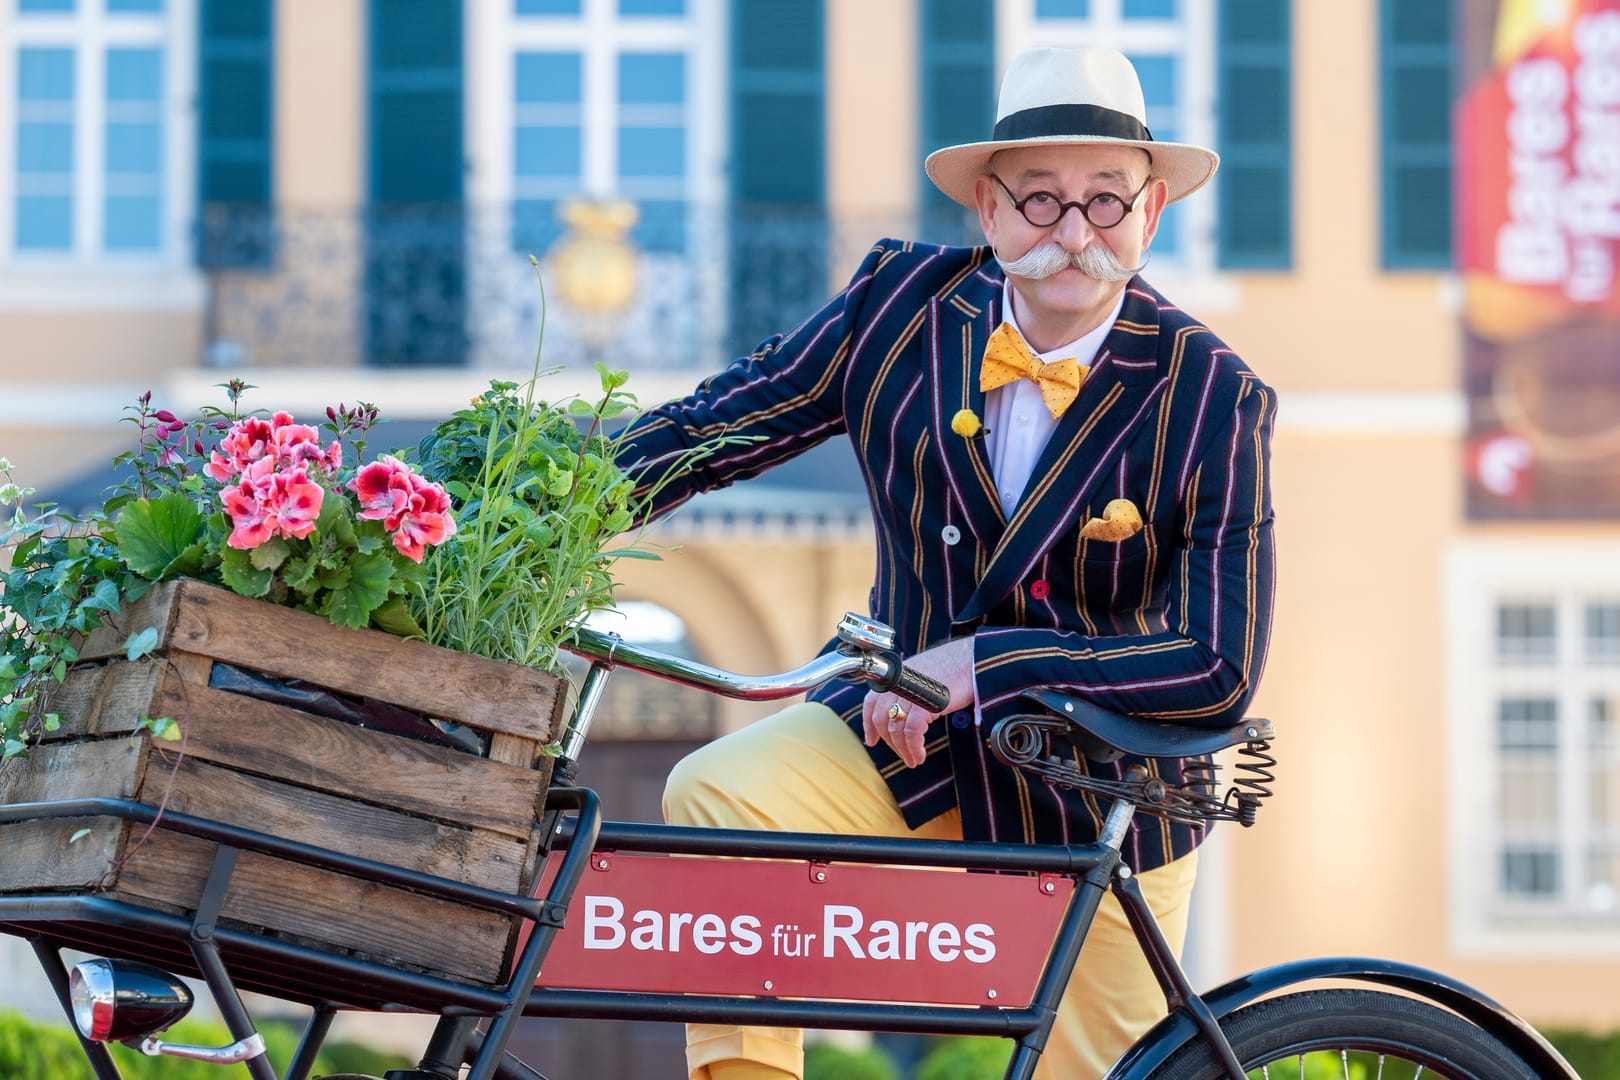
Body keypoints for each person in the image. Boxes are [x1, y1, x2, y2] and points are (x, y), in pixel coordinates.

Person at [616, 45, 1277, 1080]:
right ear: (988, 206)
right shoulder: (900, 306)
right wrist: (527, 512)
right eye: (1041, 199)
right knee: (720, 795)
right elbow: (718, 428)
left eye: (1106, 202)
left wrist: (983, 666)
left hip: (1101, 787)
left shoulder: (1214, 396)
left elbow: (1216, 665)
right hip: (902, 750)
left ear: (1151, 216)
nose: (1072, 233)